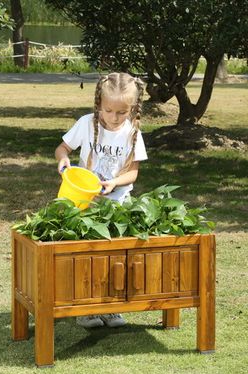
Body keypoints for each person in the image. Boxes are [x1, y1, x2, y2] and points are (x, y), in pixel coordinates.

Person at [54, 72, 148, 328]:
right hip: (86, 205)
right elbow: (62, 148)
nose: (114, 118)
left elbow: (133, 172)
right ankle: (86, 309)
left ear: (133, 109)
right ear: (99, 105)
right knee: (87, 257)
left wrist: (115, 183)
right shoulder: (86, 123)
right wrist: (63, 160)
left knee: (114, 259)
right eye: (108, 111)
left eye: (122, 112)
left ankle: (111, 307)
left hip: (117, 206)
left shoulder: (133, 134)